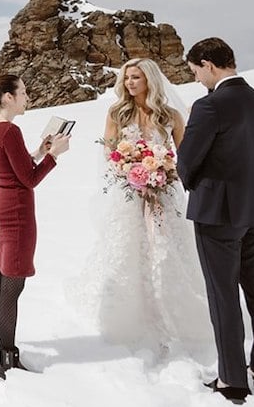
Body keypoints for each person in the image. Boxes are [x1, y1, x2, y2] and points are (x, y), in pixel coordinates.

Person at [73, 58, 211, 354]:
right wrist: (130, 170)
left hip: (164, 193)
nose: (129, 83)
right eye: (126, 78)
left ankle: (174, 306)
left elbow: (184, 155)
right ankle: (130, 312)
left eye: (135, 77)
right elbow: (111, 153)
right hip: (130, 194)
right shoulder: (117, 113)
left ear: (149, 79)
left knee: (167, 244)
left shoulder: (170, 114)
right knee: (130, 247)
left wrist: (162, 172)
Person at [177, 37, 254, 405]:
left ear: (208, 64)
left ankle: (232, 380)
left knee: (223, 296)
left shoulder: (209, 106)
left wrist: (195, 184)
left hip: (217, 212)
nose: (196, 80)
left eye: (195, 72)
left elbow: (186, 161)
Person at [0, 73, 70, 379]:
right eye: (23, 92)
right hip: (16, 211)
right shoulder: (9, 130)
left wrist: (39, 152)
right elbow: (28, 179)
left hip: (0, 205)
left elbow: (12, 165)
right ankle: (7, 358)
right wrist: (54, 157)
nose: (27, 97)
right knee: (13, 283)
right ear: (8, 97)